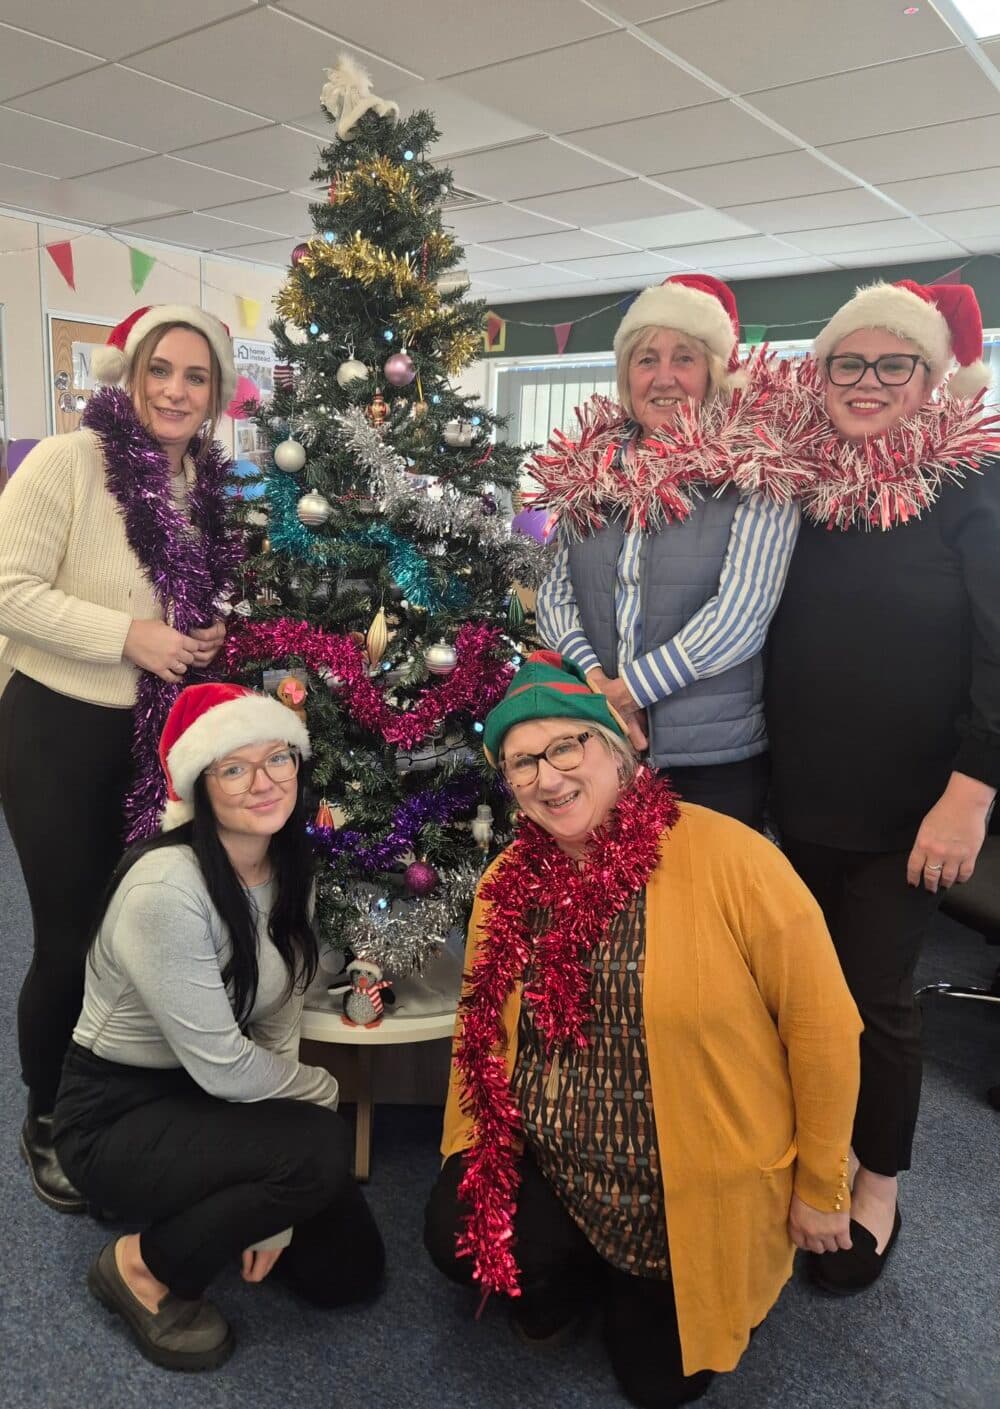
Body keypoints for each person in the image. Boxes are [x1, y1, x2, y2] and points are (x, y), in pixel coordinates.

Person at [424, 651, 861, 1409]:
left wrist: (821, 1183)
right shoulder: (506, 882)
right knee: (452, 1228)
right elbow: (480, 1034)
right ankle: (571, 1267)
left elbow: (824, 1031)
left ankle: (638, 1279)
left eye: (567, 746)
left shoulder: (738, 861)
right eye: (522, 761)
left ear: (620, 750)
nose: (547, 777)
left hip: (688, 1182)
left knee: (660, 1385)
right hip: (553, 1160)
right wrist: (472, 1145)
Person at [766, 279, 1000, 1294]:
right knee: (791, 995)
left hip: (907, 810)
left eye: (889, 364)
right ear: (816, 379)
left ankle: (876, 1179)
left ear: (929, 376)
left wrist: (971, 793)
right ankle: (802, 1155)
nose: (864, 383)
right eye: (843, 363)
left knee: (873, 998)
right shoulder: (794, 485)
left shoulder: (973, 487)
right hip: (790, 788)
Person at [52, 682, 385, 1372]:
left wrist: (282, 1210)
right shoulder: (166, 889)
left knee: (347, 1272)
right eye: (234, 767)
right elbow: (224, 1067)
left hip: (207, 1094)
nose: (264, 782)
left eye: (277, 759)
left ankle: (244, 1194)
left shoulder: (288, 863)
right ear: (200, 785)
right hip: (118, 1114)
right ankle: (139, 1265)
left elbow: (279, 1012)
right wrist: (316, 1094)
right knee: (320, 1149)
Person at [0, 305, 242, 1213]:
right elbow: (7, 590)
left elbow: (183, 593)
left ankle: (119, 1087)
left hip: (158, 729)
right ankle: (47, 1115)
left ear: (214, 393)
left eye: (196, 376)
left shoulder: (203, 485)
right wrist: (127, 635)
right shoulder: (68, 461)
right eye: (160, 371)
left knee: (140, 926)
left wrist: (212, 626)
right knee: (68, 936)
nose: (176, 391)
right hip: (58, 726)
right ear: (129, 377)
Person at [534, 273, 799, 829]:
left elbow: (740, 617)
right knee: (613, 913)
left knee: (707, 912)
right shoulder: (590, 471)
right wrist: (599, 689)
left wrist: (628, 693)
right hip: (599, 747)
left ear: (714, 372)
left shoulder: (756, 473)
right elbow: (556, 598)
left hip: (712, 761)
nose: (663, 378)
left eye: (684, 358)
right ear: (626, 374)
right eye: (646, 359)